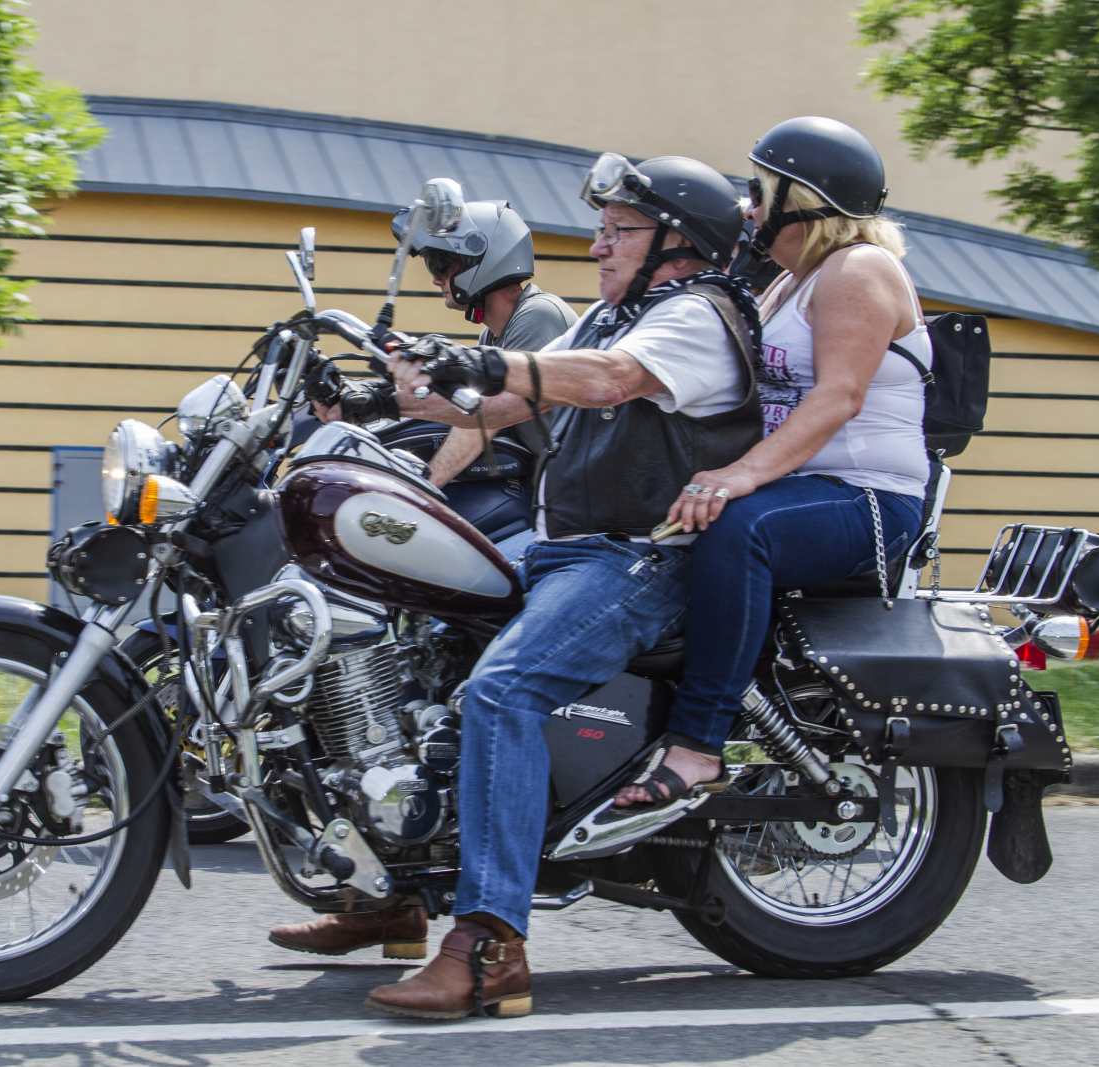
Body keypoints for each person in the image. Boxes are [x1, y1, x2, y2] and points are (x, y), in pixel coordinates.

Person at [279, 153, 762, 1021]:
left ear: (679, 242)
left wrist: (485, 363)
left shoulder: (696, 316)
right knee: (407, 656)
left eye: (620, 231)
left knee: (503, 691)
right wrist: (377, 402)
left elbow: (607, 380)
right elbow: (501, 406)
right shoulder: (618, 314)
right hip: (562, 551)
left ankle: (492, 945)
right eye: (602, 229)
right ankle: (392, 890)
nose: (597, 246)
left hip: (635, 560)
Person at [612, 117, 932, 809]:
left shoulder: (859, 269)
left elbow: (839, 396)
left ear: (802, 200)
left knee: (740, 528)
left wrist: (740, 476)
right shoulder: (789, 282)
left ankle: (697, 744)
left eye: (759, 191)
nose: (748, 205)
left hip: (866, 497)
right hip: (799, 488)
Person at [314, 200, 576, 491]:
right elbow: (454, 400)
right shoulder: (493, 335)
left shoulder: (539, 315)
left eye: (441, 265)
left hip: (573, 496)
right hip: (546, 488)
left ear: (485, 261)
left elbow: (486, 416)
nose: (436, 280)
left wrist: (421, 488)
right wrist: (370, 397)